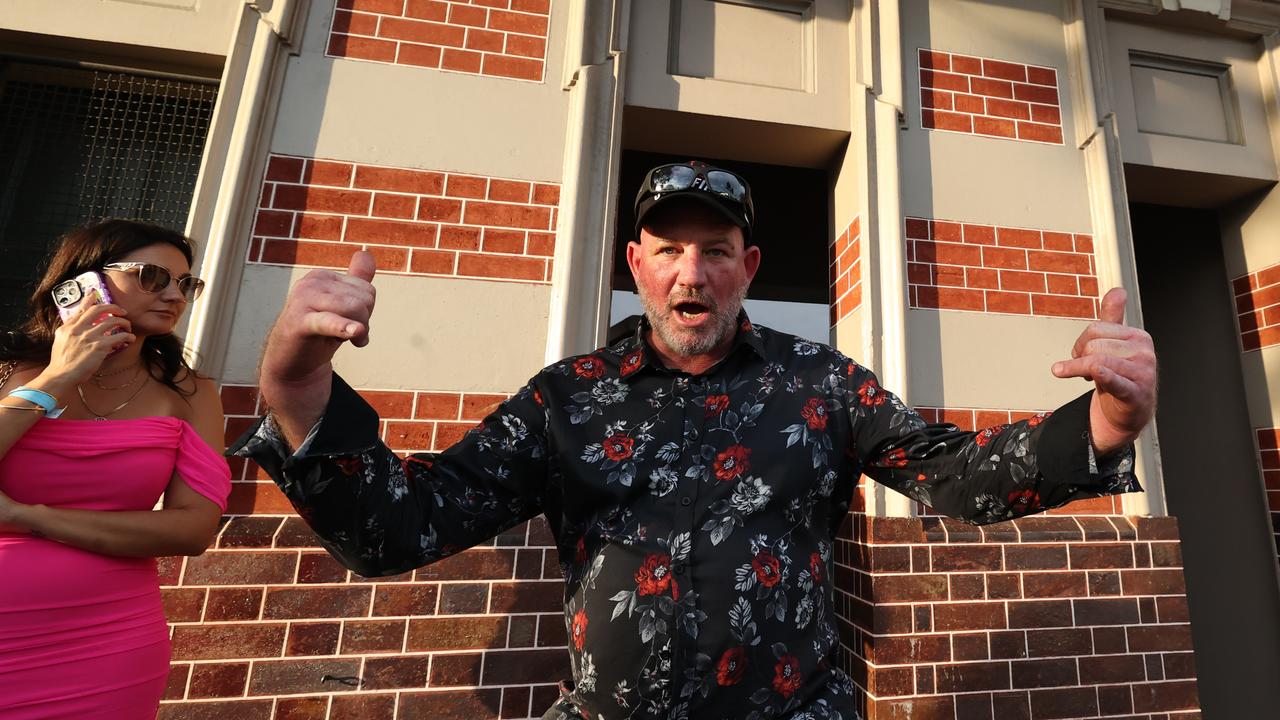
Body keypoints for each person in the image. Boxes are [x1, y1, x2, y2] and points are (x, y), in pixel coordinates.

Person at [233, 161, 1156, 719]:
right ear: (636, 264)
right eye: (668, 250)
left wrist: (1106, 424)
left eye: (716, 249)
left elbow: (953, 477)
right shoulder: (568, 401)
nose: (692, 272)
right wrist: (301, 391)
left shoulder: (819, 382)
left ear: (747, 267)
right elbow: (406, 527)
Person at [0, 220, 230, 719]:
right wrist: (59, 376)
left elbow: (192, 529)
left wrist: (27, 516)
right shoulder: (7, 373)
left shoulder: (191, 395)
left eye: (186, 284)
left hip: (111, 644)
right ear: (82, 285)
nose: (175, 294)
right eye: (152, 276)